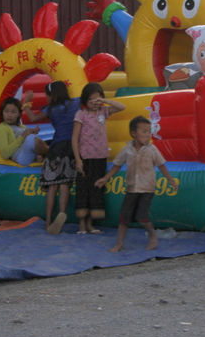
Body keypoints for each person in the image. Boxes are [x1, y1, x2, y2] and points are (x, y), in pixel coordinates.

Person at [96, 116, 178, 252]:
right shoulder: (127, 149)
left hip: (147, 189)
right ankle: (120, 243)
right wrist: (105, 178)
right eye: (144, 131)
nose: (148, 135)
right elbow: (117, 165)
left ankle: (152, 236)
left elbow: (162, 165)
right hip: (132, 188)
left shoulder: (152, 150)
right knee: (124, 216)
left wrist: (170, 180)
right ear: (134, 133)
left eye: (149, 131)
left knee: (142, 216)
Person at [23, 81, 79, 234]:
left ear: (51, 95)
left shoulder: (51, 109)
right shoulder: (76, 103)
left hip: (57, 147)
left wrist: (26, 103)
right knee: (65, 184)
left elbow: (33, 119)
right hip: (72, 148)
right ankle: (62, 213)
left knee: (52, 186)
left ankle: (48, 221)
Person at [72, 82, 125, 234]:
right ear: (84, 101)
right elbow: (75, 139)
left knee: (96, 189)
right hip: (85, 158)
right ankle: (81, 225)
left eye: (97, 100)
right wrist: (78, 160)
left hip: (100, 157)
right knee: (83, 189)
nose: (95, 104)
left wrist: (105, 101)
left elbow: (122, 107)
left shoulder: (103, 112)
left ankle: (90, 224)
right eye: (91, 100)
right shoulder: (81, 115)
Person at [0, 97, 48, 166]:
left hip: (28, 153)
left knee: (33, 138)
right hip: (19, 157)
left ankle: (42, 155)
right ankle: (53, 153)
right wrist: (23, 136)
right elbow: (5, 154)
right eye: (6, 111)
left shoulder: (22, 126)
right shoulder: (1, 128)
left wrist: (32, 132)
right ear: (2, 113)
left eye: (13, 112)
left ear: (19, 114)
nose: (9, 115)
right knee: (30, 139)